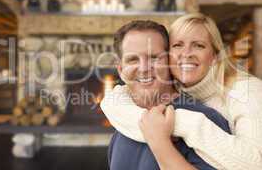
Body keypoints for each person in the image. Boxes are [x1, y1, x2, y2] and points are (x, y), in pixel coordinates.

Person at [101, 13, 262, 170]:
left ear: (214, 56)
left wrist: (166, 136)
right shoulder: (124, 124)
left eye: (154, 57)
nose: (186, 54)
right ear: (121, 70)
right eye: (132, 59)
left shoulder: (219, 113)